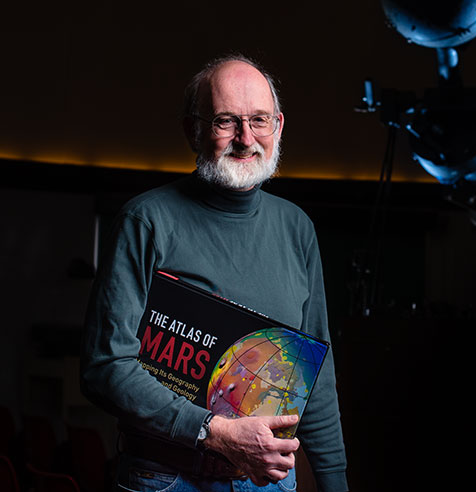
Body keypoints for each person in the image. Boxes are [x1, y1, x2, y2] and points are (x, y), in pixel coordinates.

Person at [80, 54, 348, 492]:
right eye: (226, 121)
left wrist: (336, 482)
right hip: (164, 479)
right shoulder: (145, 221)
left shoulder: (297, 227)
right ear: (193, 130)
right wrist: (214, 432)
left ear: (278, 126)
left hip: (270, 483)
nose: (246, 138)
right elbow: (104, 368)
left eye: (259, 120)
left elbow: (317, 375)